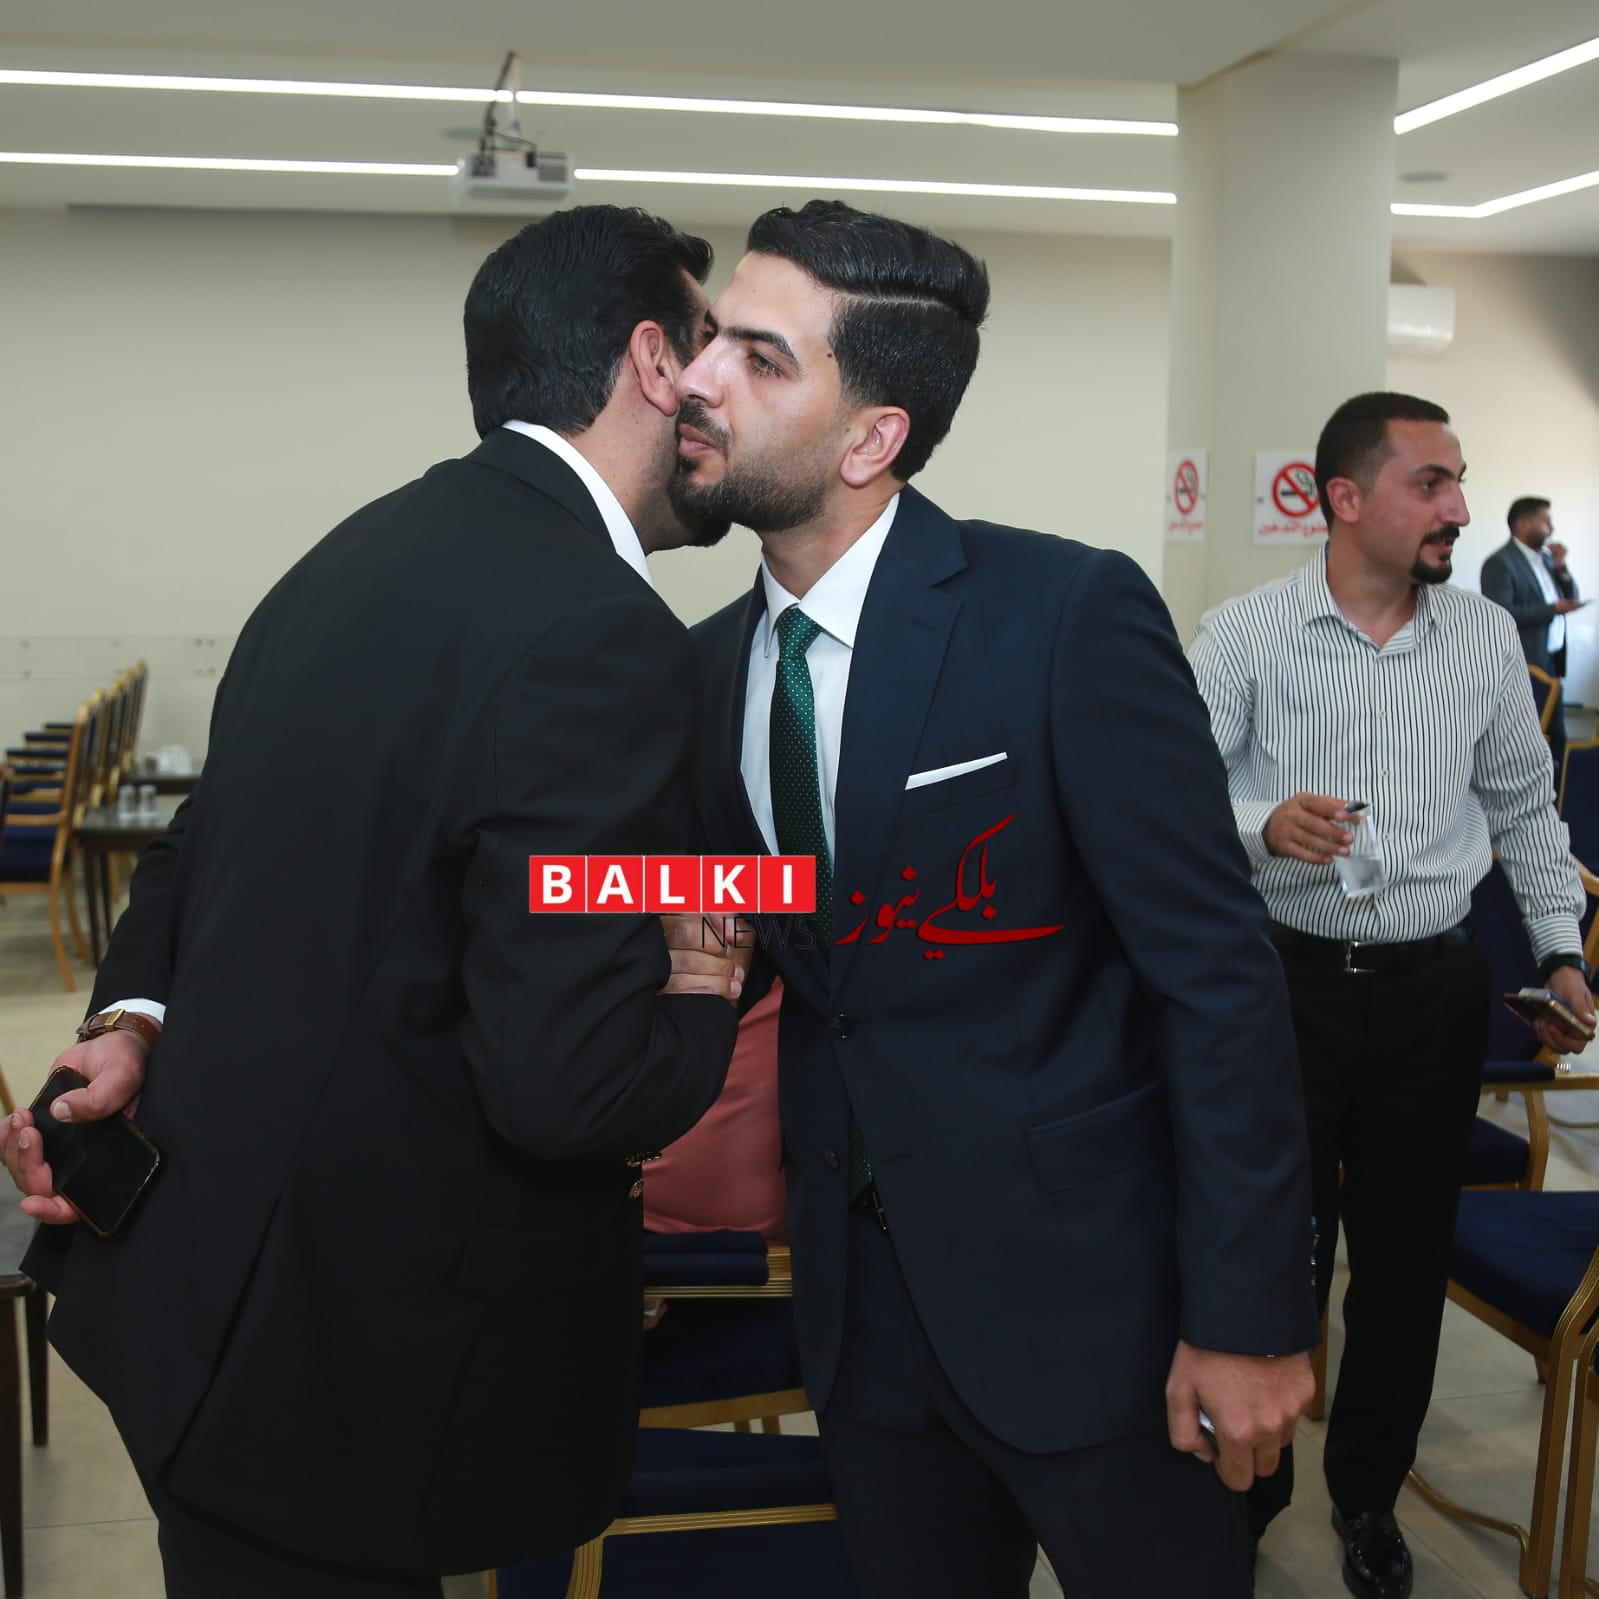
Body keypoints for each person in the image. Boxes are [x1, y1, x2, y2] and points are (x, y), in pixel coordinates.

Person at [0, 206, 747, 1598]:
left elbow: (211, 834)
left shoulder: (355, 554)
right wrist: (718, 959)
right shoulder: (600, 628)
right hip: (356, 1367)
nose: (723, 392)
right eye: (712, 347)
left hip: (200, 1307)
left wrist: (133, 1014)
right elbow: (569, 1089)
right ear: (653, 360)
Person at [672, 199, 1319, 1599]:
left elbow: (1216, 978)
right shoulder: (711, 665)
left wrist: (1251, 1318)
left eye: (758, 356)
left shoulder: (1061, 614)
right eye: (711, 335)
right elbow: (792, 928)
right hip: (860, 1319)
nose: (697, 376)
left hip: (1098, 1317)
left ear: (871, 438)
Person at [1189, 394, 1594, 1599]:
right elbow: (1167, 792)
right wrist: (1261, 821)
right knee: (1276, 1252)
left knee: (1406, 1262)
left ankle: (1368, 1498)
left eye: (1459, 480)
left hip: (1431, 994)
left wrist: (1560, 952)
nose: (1459, 506)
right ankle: (1247, 1500)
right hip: (1284, 989)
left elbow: (1526, 810)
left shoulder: (1483, 639)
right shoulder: (1244, 634)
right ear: (1345, 498)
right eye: (1431, 483)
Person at [1482, 496, 1585, 769]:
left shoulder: (1548, 560)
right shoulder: (1500, 563)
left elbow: (1571, 596)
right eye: (1546, 521)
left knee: (1557, 739)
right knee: (1526, 744)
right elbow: (1502, 614)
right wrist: (1552, 609)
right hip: (1525, 665)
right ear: (1523, 525)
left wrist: (1562, 567)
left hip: (1551, 661)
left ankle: (1556, 791)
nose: (1552, 527)